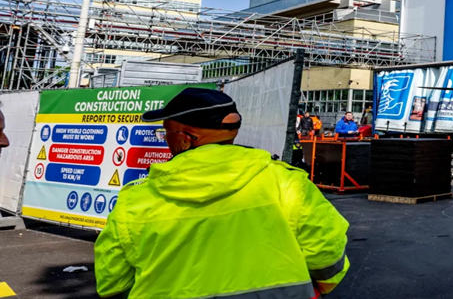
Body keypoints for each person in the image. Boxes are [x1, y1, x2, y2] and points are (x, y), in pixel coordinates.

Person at [95, 88, 349, 299]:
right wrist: (318, 287)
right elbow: (326, 254)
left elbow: (112, 282)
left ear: (185, 138)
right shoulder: (286, 182)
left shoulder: (136, 199)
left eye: (165, 133)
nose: (165, 140)